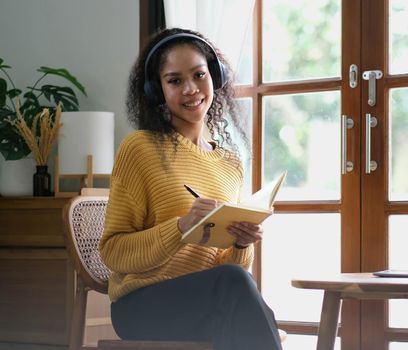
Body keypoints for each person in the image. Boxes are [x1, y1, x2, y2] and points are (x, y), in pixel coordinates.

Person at [99, 27, 283, 350]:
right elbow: (113, 252)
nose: (191, 89)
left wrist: (241, 244)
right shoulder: (139, 149)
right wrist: (182, 227)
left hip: (208, 300)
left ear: (215, 78)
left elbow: (227, 268)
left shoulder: (231, 163)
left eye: (199, 75)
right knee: (237, 292)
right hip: (139, 306)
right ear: (156, 91)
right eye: (174, 80)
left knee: (237, 296)